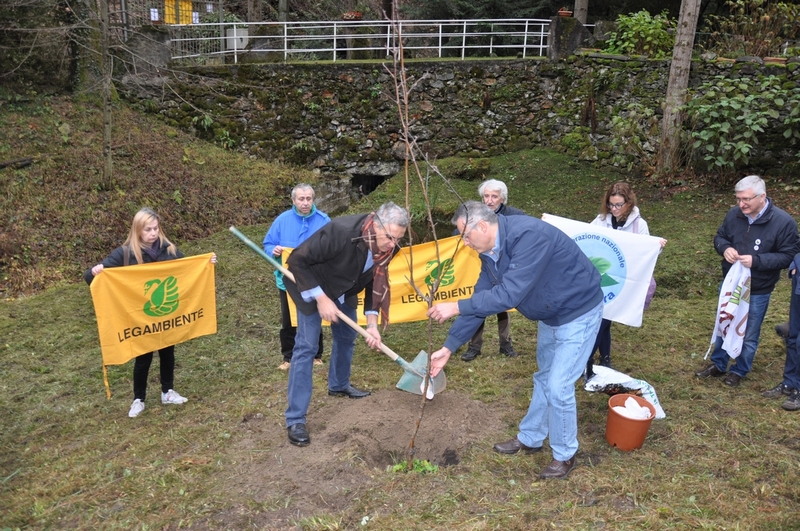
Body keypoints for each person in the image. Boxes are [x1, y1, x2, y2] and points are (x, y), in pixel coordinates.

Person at [427, 201, 603, 479]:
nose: (465, 243)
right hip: (550, 314)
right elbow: (482, 300)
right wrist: (449, 347)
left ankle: (565, 455)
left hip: (578, 312)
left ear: (482, 226)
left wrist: (456, 306)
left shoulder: (530, 237)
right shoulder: (489, 252)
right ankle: (531, 437)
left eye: (466, 236)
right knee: (545, 377)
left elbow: (509, 295)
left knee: (558, 386)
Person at [283, 202, 408, 447]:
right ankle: (295, 419)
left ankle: (339, 385)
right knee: (306, 348)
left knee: (346, 337)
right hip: (312, 286)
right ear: (376, 225)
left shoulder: (388, 245)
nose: (393, 244)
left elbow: (375, 280)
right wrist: (321, 298)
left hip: (345, 287)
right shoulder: (341, 231)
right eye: (390, 237)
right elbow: (297, 260)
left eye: (399, 239)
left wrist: (372, 324)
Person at [84, 208, 217, 418]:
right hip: (140, 318)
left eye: (156, 228)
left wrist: (206, 264)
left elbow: (187, 268)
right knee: (143, 358)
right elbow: (90, 278)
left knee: (167, 352)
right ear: (138, 230)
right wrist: (95, 272)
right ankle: (139, 399)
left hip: (166, 316)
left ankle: (167, 392)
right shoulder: (125, 253)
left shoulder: (169, 249)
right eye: (148, 229)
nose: (153, 233)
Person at [696, 175, 799, 387]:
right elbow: (720, 237)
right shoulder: (734, 215)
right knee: (724, 323)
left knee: (749, 332)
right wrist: (725, 249)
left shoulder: (783, 222)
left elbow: (790, 255)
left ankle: (740, 370)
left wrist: (757, 261)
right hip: (730, 284)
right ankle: (718, 364)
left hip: (758, 289)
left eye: (746, 199)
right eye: (738, 199)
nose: (741, 204)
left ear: (762, 197)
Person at [586, 182, 667, 378]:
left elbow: (644, 252)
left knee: (605, 320)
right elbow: (587, 237)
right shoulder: (600, 219)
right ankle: (603, 358)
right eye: (611, 204)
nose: (614, 209)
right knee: (603, 318)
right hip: (603, 279)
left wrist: (657, 246)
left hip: (624, 283)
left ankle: (587, 361)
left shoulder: (640, 224)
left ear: (628, 203)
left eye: (618, 205)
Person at [263, 183, 330, 370]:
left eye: (309, 198)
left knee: (314, 315)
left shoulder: (324, 220)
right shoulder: (282, 220)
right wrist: (273, 250)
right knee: (288, 320)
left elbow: (333, 246)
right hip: (287, 280)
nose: (305, 202)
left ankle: (316, 355)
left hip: (314, 279)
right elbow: (268, 244)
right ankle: (288, 357)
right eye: (301, 199)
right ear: (293, 200)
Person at [459, 179, 525, 362]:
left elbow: (529, 230)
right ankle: (474, 346)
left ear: (502, 199)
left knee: (502, 306)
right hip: (480, 268)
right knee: (478, 303)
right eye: (486, 196)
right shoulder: (473, 216)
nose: (489, 200)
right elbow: (458, 234)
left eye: (494, 196)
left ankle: (505, 344)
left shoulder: (515, 215)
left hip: (504, 270)